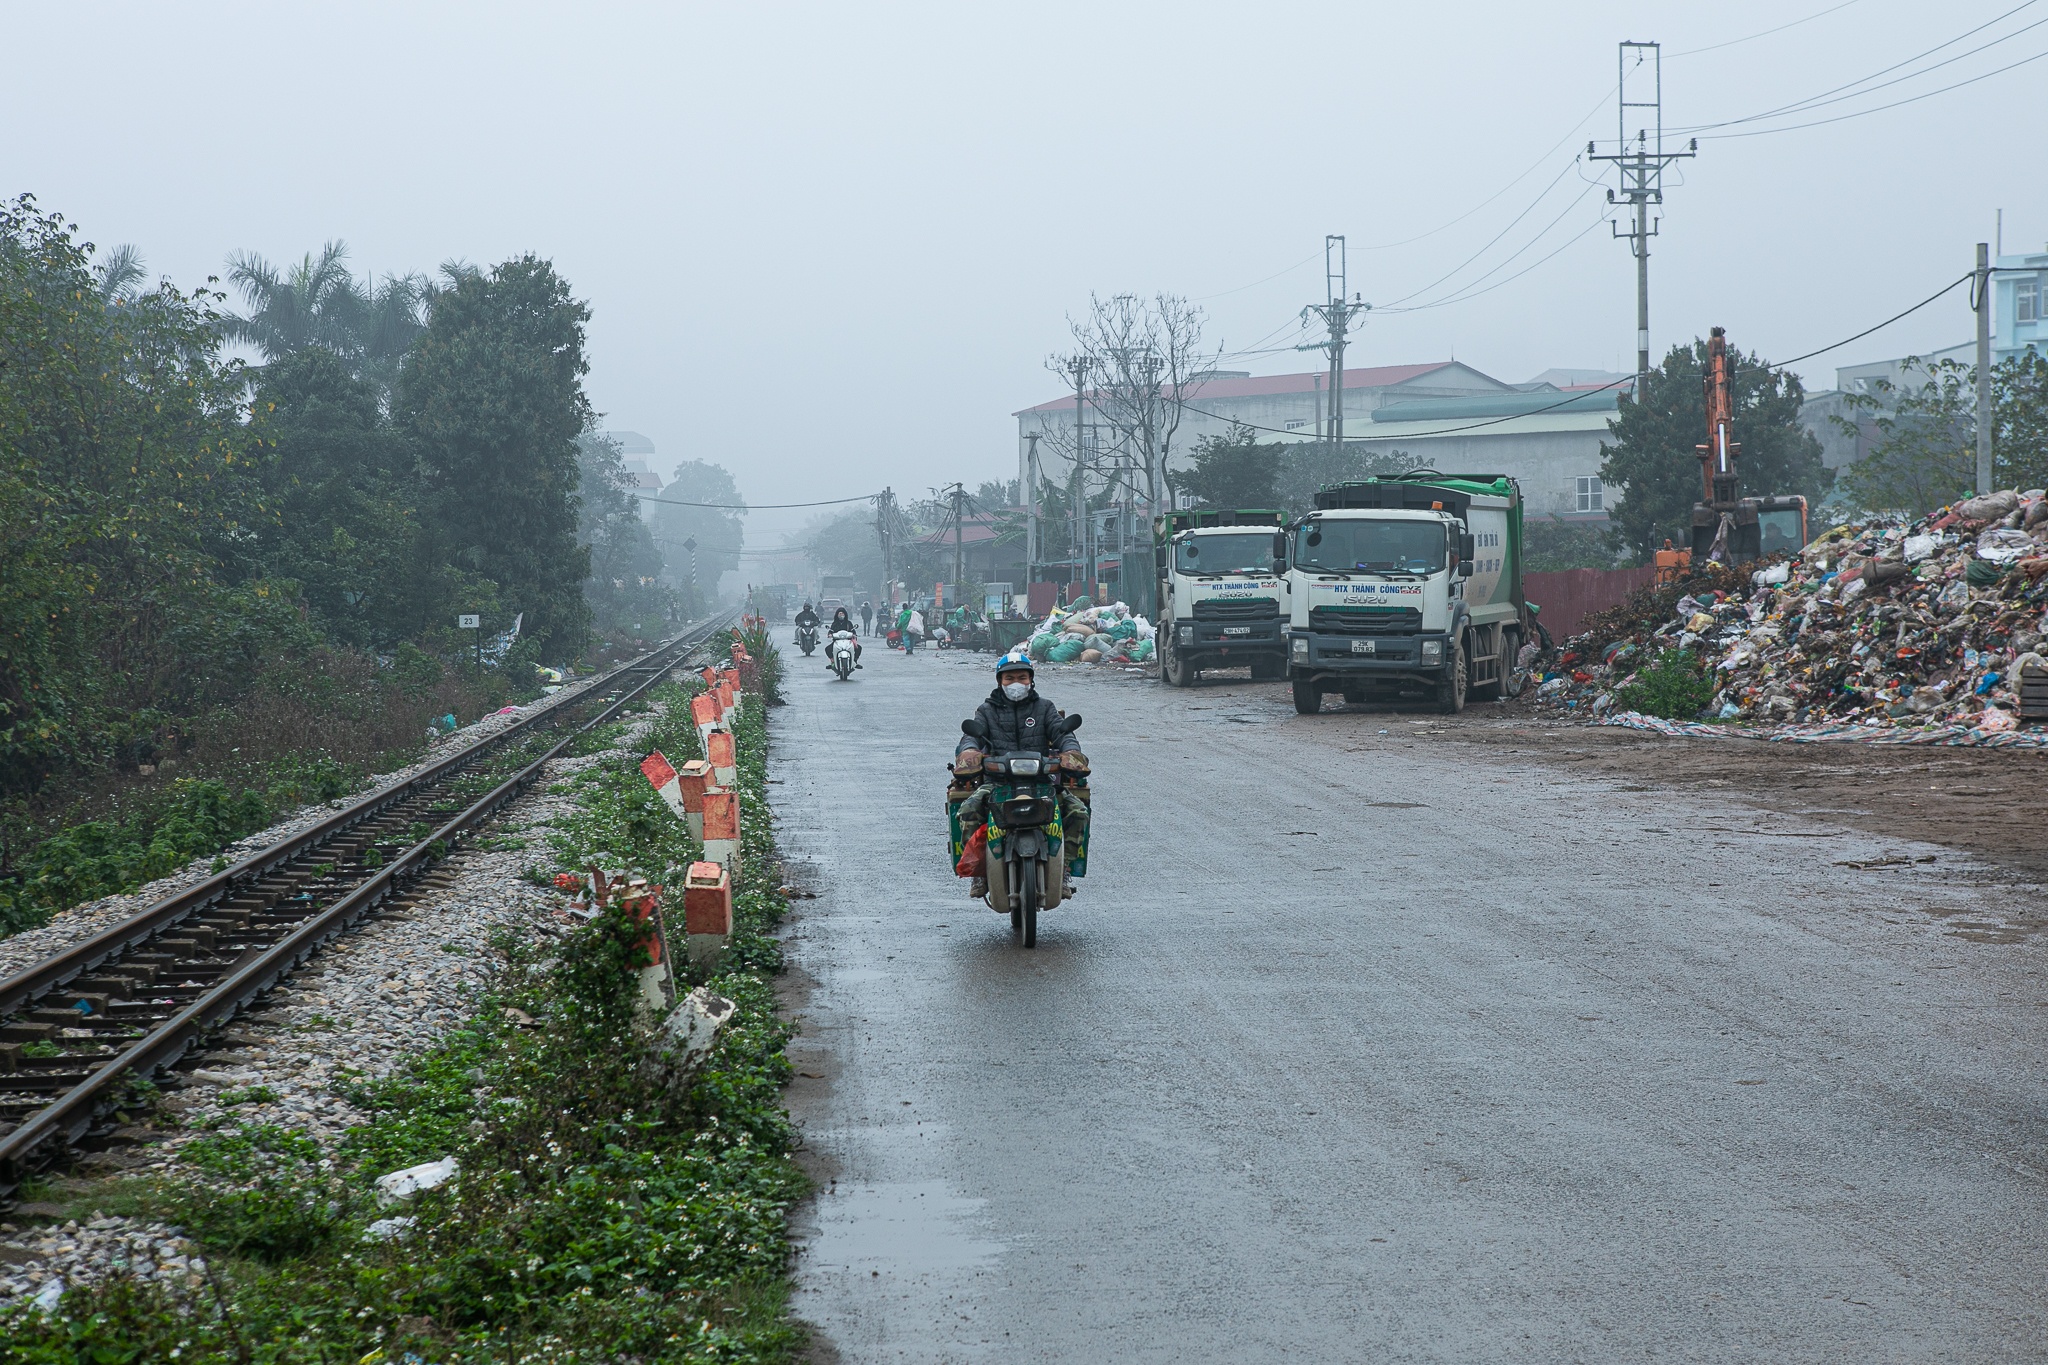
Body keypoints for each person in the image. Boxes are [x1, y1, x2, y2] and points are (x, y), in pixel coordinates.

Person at [951, 651, 1089, 898]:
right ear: (999, 681)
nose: (1016, 683)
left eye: (1022, 677)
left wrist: (1071, 752)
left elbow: (1063, 733)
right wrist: (969, 752)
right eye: (1009, 678)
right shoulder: (987, 710)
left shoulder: (1044, 708)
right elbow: (971, 736)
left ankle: (1064, 868)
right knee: (968, 810)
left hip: (1040, 782)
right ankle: (980, 873)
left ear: (1031, 679)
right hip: (997, 783)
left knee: (1078, 812)